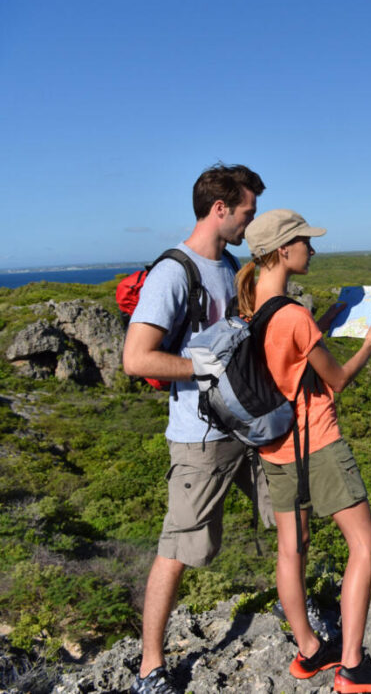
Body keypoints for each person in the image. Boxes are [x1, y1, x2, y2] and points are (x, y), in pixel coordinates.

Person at [122, 164, 273, 694]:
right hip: (199, 438)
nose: (249, 226)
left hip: (248, 427)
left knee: (290, 517)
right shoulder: (173, 273)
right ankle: (150, 667)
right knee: (179, 548)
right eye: (246, 214)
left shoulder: (231, 267)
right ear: (219, 209)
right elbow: (136, 358)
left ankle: (302, 627)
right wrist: (195, 367)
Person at [239, 209, 371, 692]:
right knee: (365, 543)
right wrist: (370, 343)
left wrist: (324, 321)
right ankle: (352, 666)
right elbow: (337, 381)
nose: (313, 250)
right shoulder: (292, 316)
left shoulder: (255, 307)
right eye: (306, 242)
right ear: (283, 250)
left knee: (292, 550)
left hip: (275, 448)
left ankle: (309, 651)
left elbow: (285, 361)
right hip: (319, 442)